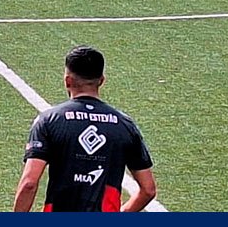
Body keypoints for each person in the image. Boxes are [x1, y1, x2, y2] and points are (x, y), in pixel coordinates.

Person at [13, 45, 157, 212]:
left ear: (67, 81)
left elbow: (29, 184)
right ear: (102, 80)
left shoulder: (49, 121)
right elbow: (148, 190)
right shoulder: (124, 125)